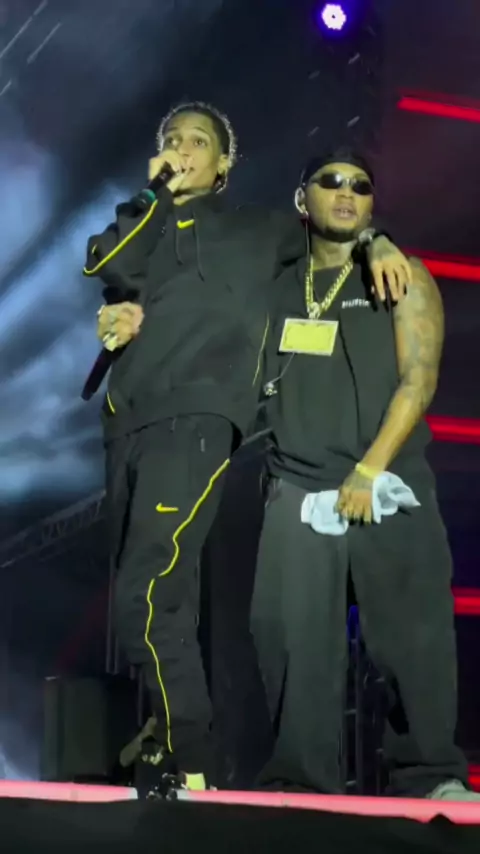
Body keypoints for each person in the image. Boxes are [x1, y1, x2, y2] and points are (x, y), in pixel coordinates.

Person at [83, 105, 410, 794]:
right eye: (171, 140)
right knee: (157, 599)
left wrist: (377, 239)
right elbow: (107, 263)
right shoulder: (145, 225)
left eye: (198, 141)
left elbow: (334, 224)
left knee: (146, 594)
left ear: (224, 165)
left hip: (199, 417)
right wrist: (147, 206)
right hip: (126, 424)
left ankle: (192, 756)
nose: (182, 150)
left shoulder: (258, 230)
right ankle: (175, 743)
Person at [250, 148, 479, 801]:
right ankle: (301, 786)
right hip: (298, 485)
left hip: (386, 479)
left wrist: (369, 468)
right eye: (331, 182)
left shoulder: (400, 273)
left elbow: (419, 379)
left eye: (361, 185)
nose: (347, 192)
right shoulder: (274, 285)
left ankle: (430, 777)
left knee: (414, 638)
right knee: (290, 642)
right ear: (303, 199)